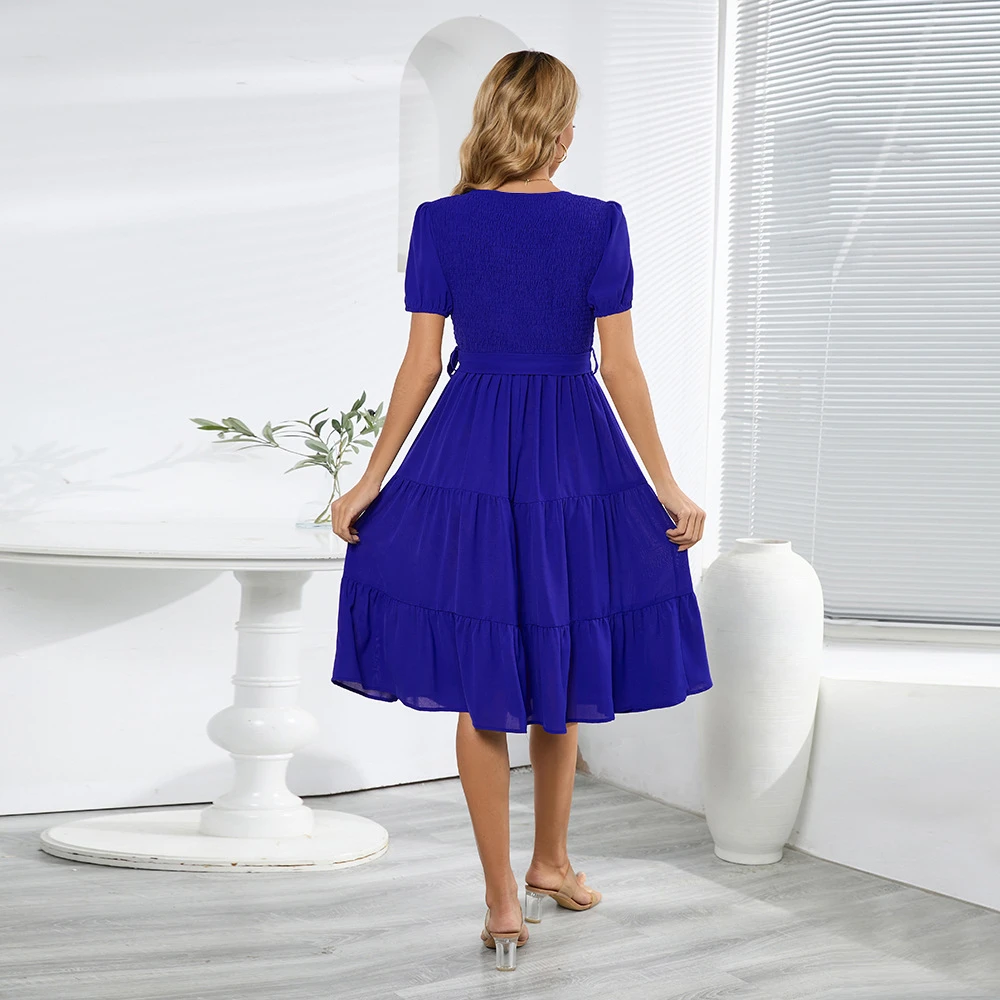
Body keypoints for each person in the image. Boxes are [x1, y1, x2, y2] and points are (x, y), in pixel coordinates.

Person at [329, 49, 712, 971]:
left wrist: (374, 476)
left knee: (487, 674)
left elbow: (421, 365)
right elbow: (620, 368)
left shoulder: (441, 222)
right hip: (572, 451)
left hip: (469, 447)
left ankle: (518, 887)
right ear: (562, 133)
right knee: (559, 650)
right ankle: (542, 865)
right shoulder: (598, 222)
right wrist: (664, 481)